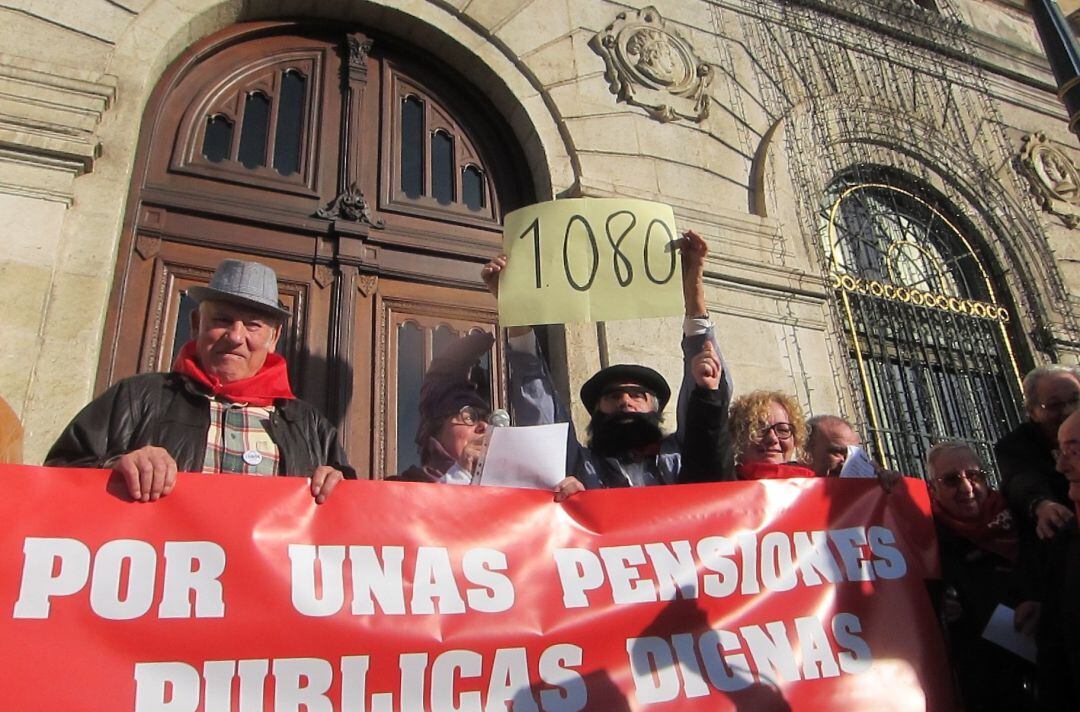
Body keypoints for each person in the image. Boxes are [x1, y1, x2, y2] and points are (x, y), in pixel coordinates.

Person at [45, 259, 353, 503]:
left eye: (253, 325)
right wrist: (116, 467)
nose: (235, 336)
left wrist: (340, 492)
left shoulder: (311, 425)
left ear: (273, 338)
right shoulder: (135, 397)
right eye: (222, 320)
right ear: (196, 324)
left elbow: (351, 521)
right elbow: (54, 478)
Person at [481, 229, 732, 488]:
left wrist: (694, 288)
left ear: (655, 410)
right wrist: (514, 307)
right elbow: (540, 412)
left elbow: (707, 389)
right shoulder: (580, 468)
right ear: (596, 412)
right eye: (612, 396)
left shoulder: (680, 459)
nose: (625, 402)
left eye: (637, 395)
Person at [390, 330, 583, 501]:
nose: (484, 426)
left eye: (486, 418)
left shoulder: (521, 493)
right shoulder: (398, 491)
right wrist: (462, 475)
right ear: (436, 428)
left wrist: (569, 506)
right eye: (469, 416)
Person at [925, 441, 1034, 712]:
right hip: (983, 689)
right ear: (932, 488)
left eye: (975, 476)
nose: (967, 488)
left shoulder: (1022, 517)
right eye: (951, 480)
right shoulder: (926, 538)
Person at [996, 365, 1080, 541]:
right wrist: (1041, 504)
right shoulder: (1016, 446)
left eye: (1075, 399)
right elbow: (1020, 480)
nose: (1068, 411)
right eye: (1054, 405)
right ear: (1032, 412)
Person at [728, 390, 815, 479]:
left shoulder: (813, 488)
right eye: (759, 429)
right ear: (737, 437)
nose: (772, 438)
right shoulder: (722, 484)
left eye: (783, 430)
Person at [804, 413, 901, 489]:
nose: (846, 462)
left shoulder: (860, 495)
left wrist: (886, 488)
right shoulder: (789, 485)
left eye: (852, 454)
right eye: (837, 452)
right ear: (806, 448)